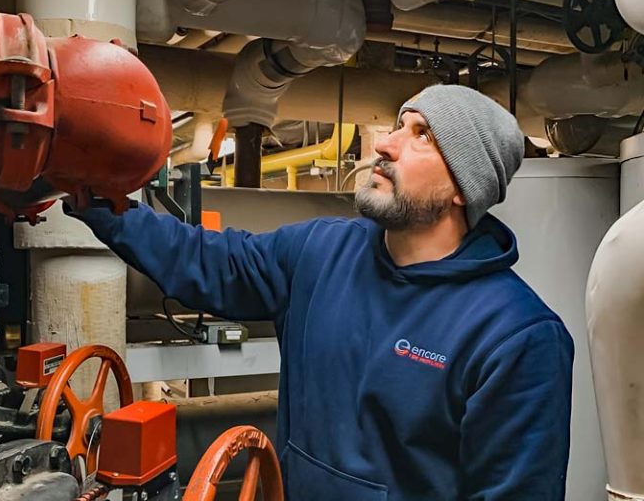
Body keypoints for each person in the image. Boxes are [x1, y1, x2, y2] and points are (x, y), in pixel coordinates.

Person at [66, 84, 573, 500]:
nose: (386, 143)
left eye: (422, 135)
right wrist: (104, 206)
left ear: (465, 187)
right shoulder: (322, 250)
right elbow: (206, 261)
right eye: (398, 124)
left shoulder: (517, 337)